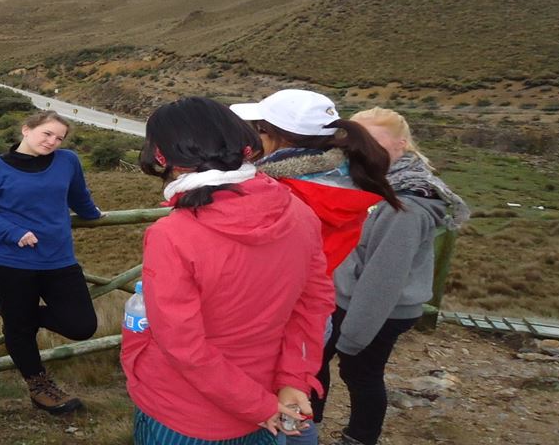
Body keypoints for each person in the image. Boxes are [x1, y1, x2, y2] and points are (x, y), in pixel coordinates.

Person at [121, 97, 333, 445]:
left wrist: (260, 406)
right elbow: (314, 305)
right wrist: (294, 378)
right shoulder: (298, 212)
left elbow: (183, 346)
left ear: (163, 157)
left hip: (184, 412)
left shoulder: (172, 235)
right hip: (266, 394)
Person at [230, 89, 403, 445]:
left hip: (270, 315)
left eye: (255, 130)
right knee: (292, 399)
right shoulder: (346, 180)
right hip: (313, 313)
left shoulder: (281, 192)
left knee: (260, 410)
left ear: (271, 135)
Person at [293, 107, 467, 445]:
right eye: (353, 139)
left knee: (360, 373)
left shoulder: (406, 205)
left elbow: (383, 279)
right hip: (348, 299)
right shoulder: (375, 183)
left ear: (401, 144)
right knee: (319, 364)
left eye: (371, 140)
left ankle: (357, 437)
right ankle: (309, 425)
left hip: (378, 310)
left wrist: (353, 338)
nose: (358, 147)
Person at [0, 110, 103, 414]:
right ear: (26, 130)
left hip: (59, 259)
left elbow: (79, 196)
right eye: (47, 134)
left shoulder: (68, 161)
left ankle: (15, 312)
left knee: (81, 325)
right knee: (20, 330)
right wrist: (13, 232)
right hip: (10, 261)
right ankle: (40, 388)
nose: (53, 141)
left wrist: (93, 214)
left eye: (59, 137)